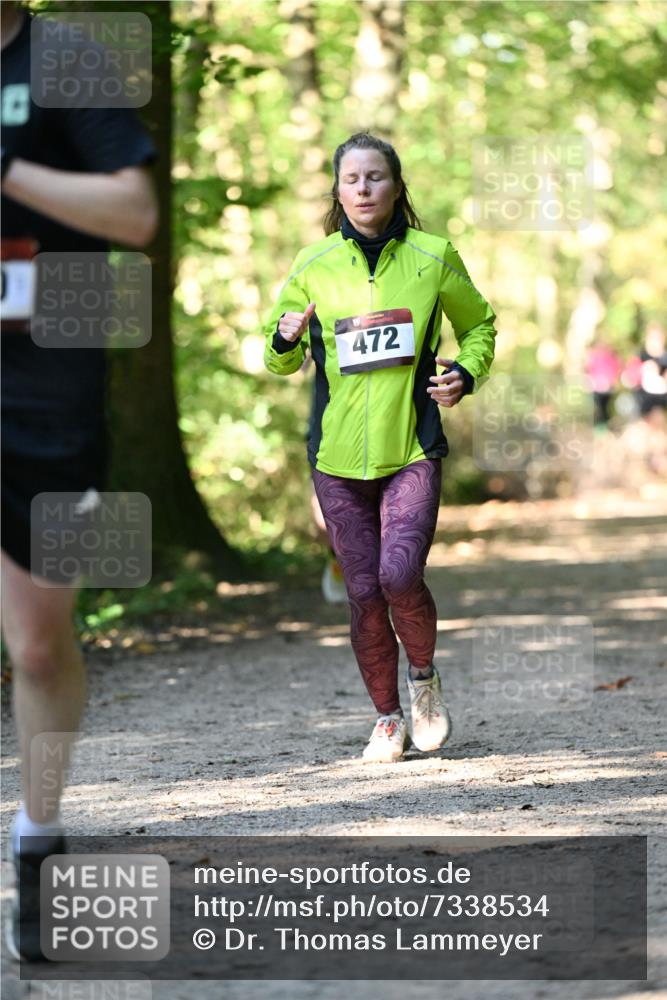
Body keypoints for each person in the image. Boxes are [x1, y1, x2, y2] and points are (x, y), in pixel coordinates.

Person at [1, 2, 157, 960]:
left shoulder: (65, 54)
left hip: (45, 389)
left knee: (40, 647)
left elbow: (134, 215)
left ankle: (39, 835)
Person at [264, 132, 497, 763]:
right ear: (337, 192)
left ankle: (423, 682)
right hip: (336, 458)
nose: (363, 189)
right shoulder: (313, 265)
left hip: (412, 448)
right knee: (363, 590)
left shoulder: (432, 255)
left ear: (396, 186)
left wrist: (464, 372)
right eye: (351, 180)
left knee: (400, 575)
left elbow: (479, 324)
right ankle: (387, 718)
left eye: (375, 177)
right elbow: (277, 356)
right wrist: (285, 337)